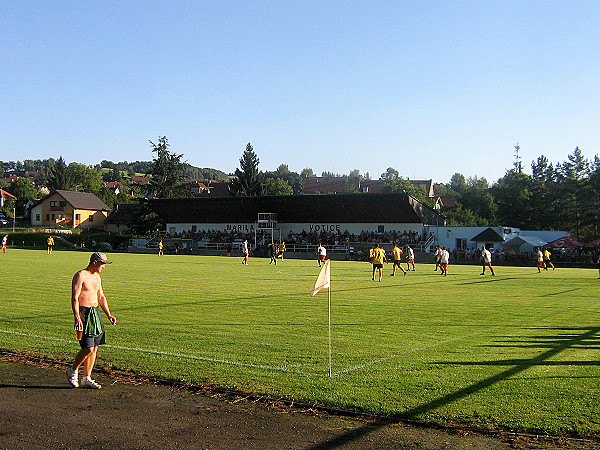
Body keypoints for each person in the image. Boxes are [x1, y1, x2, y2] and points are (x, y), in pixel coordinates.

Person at [67, 252, 117, 389]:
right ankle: (73, 370)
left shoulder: (97, 277)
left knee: (95, 347)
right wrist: (77, 316)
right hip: (84, 313)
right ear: (95, 262)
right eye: (102, 264)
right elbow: (75, 298)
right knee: (88, 348)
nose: (104, 267)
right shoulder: (80, 275)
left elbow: (101, 297)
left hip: (95, 313)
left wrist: (109, 314)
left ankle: (86, 378)